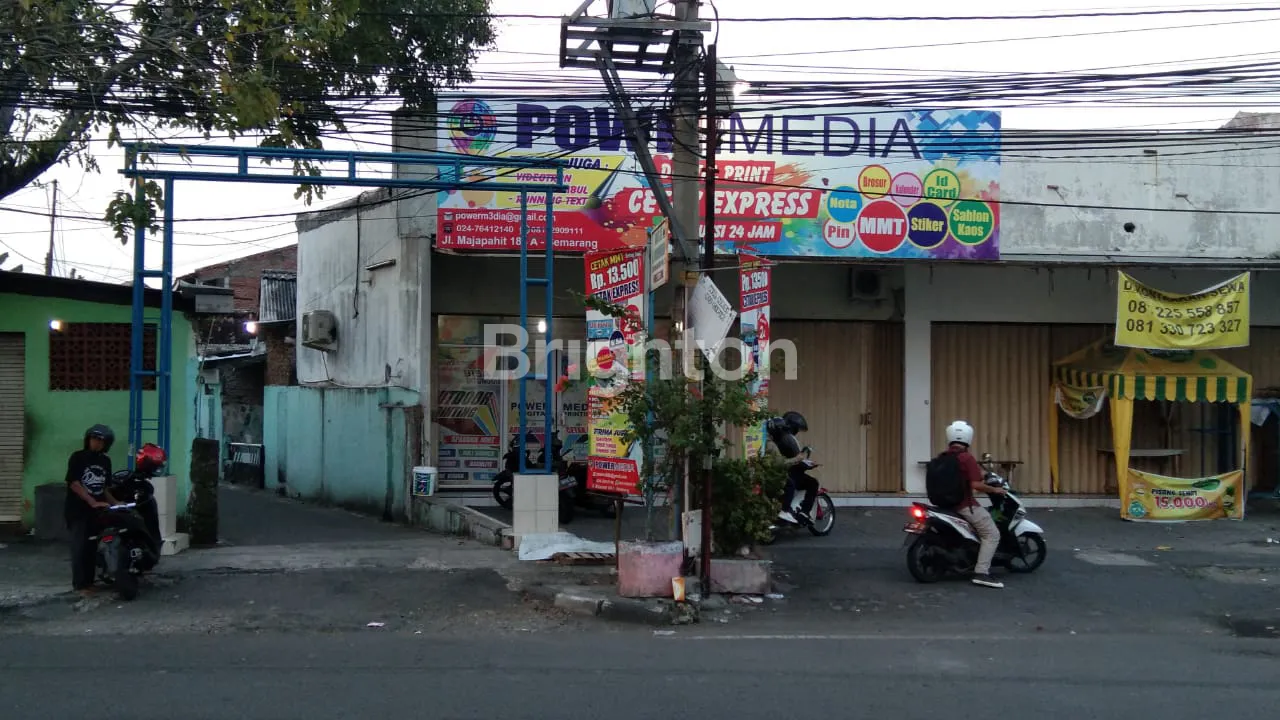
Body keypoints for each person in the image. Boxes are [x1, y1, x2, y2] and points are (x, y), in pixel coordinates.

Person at [941, 420, 1007, 589]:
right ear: (968, 437)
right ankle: (982, 573)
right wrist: (994, 489)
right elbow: (975, 484)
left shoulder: (944, 456)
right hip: (964, 505)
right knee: (992, 534)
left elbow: (972, 473)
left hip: (945, 504)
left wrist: (983, 474)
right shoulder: (966, 457)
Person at [64, 424, 118, 595]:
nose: (96, 443)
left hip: (97, 511)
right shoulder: (78, 457)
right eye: (94, 439)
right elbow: (74, 483)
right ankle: (80, 585)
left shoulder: (105, 461)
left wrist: (116, 503)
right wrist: (92, 501)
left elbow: (105, 488)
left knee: (92, 547)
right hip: (78, 510)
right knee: (79, 547)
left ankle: (89, 582)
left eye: (101, 440)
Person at [766, 411, 814, 524]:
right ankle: (791, 511)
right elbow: (781, 462)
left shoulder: (770, 441)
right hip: (782, 472)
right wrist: (798, 459)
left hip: (774, 472)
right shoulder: (776, 443)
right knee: (811, 483)